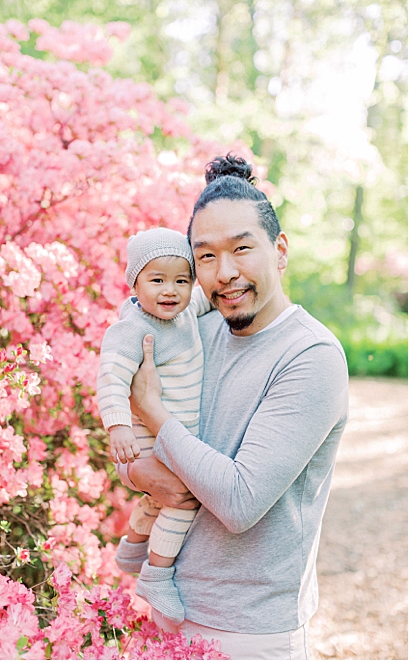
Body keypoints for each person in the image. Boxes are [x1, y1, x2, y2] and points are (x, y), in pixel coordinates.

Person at [118, 154, 349, 659]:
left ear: (280, 249)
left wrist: (155, 414)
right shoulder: (193, 333)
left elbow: (240, 502)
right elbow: (130, 446)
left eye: (242, 249)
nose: (225, 274)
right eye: (205, 257)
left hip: (248, 635)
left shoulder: (310, 357)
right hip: (169, 611)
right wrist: (139, 471)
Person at [97, 228, 210, 623]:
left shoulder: (185, 313)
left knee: (159, 497)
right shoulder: (133, 329)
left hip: (172, 433)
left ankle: (133, 546)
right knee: (183, 499)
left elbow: (206, 299)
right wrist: (118, 428)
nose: (170, 290)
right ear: (135, 282)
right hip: (151, 436)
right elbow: (110, 377)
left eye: (181, 280)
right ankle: (157, 574)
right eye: (157, 280)